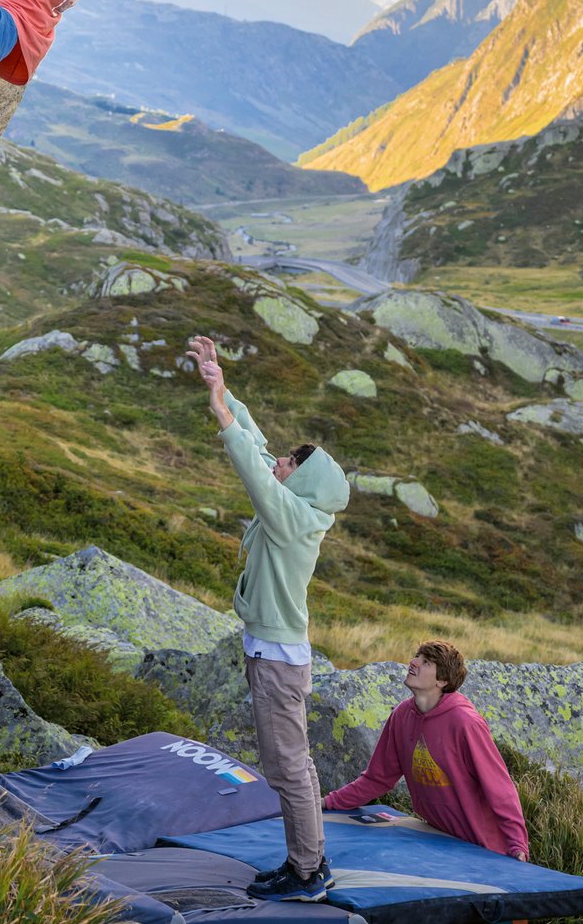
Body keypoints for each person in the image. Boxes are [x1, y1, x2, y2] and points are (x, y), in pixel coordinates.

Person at [187, 334, 351, 904]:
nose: (279, 461)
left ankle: (307, 873)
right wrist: (222, 389)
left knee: (288, 770)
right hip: (274, 653)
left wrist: (220, 414)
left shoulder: (295, 519)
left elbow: (254, 470)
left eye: (290, 462)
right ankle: (307, 863)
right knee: (291, 766)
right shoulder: (297, 507)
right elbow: (259, 452)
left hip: (279, 662)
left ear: (301, 480)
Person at [323, 640, 529, 861]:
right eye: (416, 657)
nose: (413, 663)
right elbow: (377, 779)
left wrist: (517, 844)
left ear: (442, 680)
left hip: (483, 849)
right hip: (439, 841)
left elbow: (499, 787)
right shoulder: (401, 715)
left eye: (426, 662)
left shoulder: (465, 723)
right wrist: (327, 802)